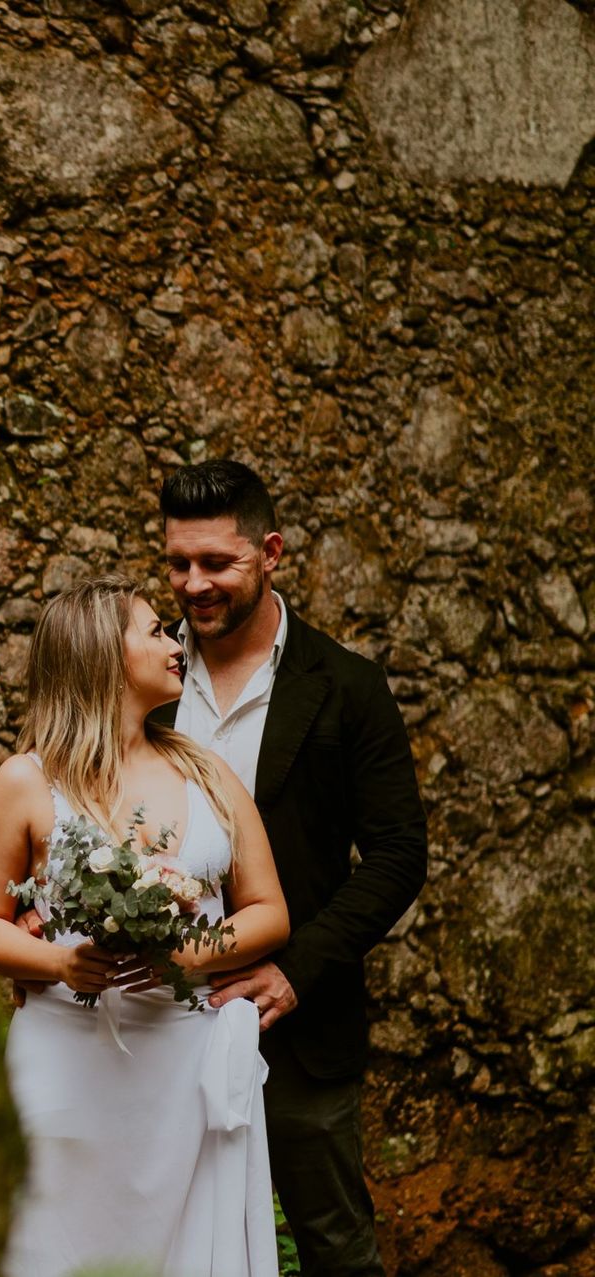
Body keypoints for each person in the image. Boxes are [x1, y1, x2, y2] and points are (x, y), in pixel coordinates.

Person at [0, 574, 291, 1277]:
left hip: (183, 1056)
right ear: (102, 656)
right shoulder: (27, 780)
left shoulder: (208, 772)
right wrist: (57, 965)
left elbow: (268, 911)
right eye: (152, 631)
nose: (175, 643)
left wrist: (194, 948)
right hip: (67, 1055)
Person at [154, 460, 428, 1276]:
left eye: (217, 563)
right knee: (161, 1240)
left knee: (334, 1247)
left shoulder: (347, 686)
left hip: (294, 1026)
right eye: (177, 563)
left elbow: (398, 854)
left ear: (270, 552)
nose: (194, 584)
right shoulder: (141, 677)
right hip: (151, 1019)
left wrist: (296, 969)